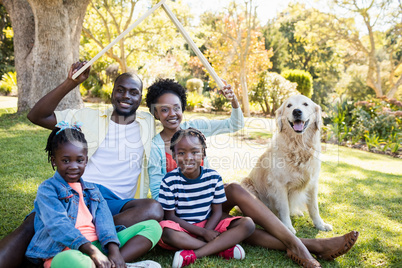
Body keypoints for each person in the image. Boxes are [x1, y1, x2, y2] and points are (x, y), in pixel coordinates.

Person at [145, 78, 359, 267]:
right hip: (181, 210)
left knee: (236, 190)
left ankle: (299, 245)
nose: (172, 113)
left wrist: (234, 101)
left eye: (176, 107)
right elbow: (158, 195)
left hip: (210, 203)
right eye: (164, 109)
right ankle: (308, 246)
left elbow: (235, 123)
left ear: (182, 107)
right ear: (155, 113)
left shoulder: (196, 127)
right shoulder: (155, 147)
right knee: (243, 230)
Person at [0, 61, 163, 268]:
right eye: (120, 90)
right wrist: (70, 82)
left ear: (141, 98)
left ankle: (88, 245)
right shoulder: (88, 117)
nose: (126, 96)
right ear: (112, 93)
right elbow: (37, 116)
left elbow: (176, 113)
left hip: (116, 205)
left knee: (154, 209)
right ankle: (74, 238)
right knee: (31, 225)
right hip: (76, 194)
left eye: (133, 92)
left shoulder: (148, 122)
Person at [25, 122, 162, 268]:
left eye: (79, 160)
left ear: (86, 160)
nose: (73, 166)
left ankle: (114, 262)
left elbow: (105, 221)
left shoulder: (92, 189)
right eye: (65, 161)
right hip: (65, 250)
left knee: (153, 227)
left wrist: (113, 250)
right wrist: (92, 251)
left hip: (97, 246)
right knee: (70, 260)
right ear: (54, 161)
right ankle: (109, 264)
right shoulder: (47, 189)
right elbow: (58, 224)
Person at [158, 128, 255, 268]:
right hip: (182, 229)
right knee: (166, 231)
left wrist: (207, 230)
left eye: (194, 152)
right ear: (173, 155)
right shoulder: (169, 181)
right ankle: (221, 249)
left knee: (248, 224)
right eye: (181, 153)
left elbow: (216, 212)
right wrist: (203, 233)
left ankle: (194, 254)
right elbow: (170, 217)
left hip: (209, 224)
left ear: (203, 153)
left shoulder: (213, 177)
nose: (188, 157)